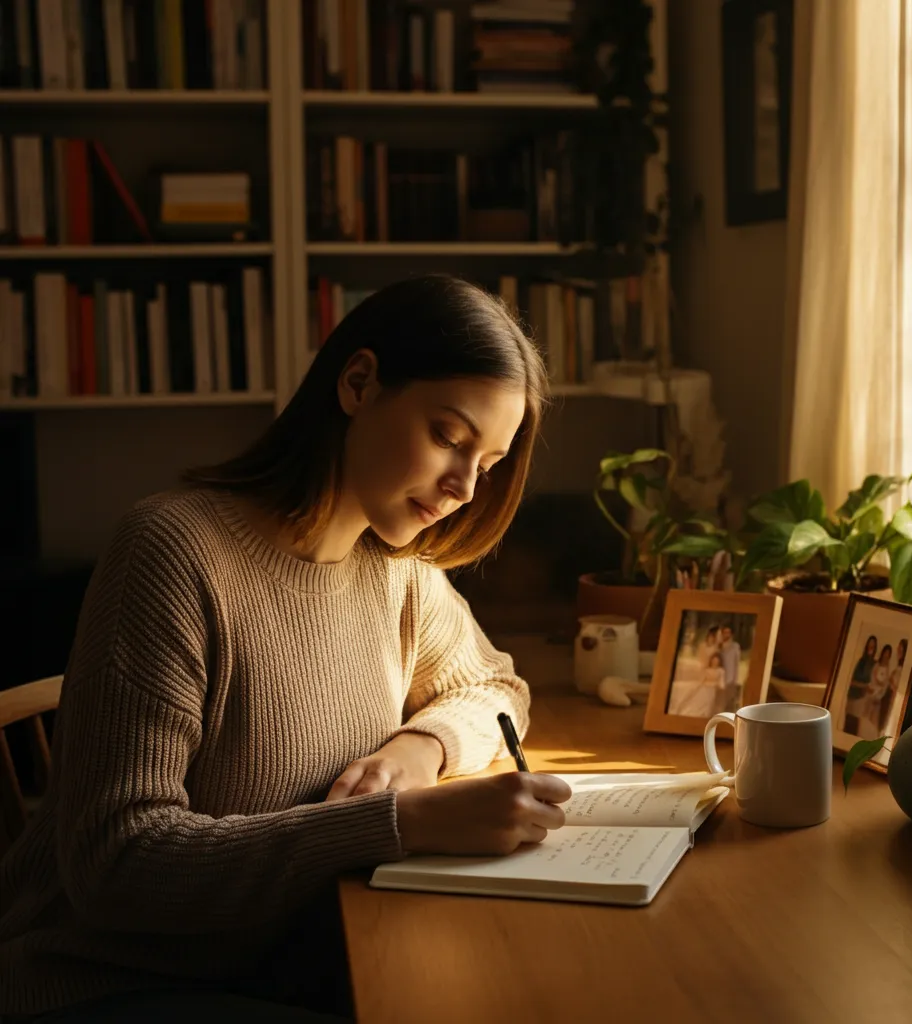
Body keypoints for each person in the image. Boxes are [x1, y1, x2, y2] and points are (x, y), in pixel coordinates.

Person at [0, 276, 573, 1022]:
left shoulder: (393, 570)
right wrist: (404, 823)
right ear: (359, 383)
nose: (464, 486)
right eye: (448, 438)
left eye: (488, 464)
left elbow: (496, 688)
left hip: (288, 957)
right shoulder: (174, 552)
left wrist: (419, 750)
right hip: (107, 982)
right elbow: (115, 864)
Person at [844, 635, 878, 733]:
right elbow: (852, 681)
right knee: (847, 723)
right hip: (851, 695)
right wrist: (863, 685)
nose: (870, 647)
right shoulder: (861, 661)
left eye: (873, 646)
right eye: (869, 645)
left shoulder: (874, 664)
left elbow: (871, 684)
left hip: (861, 699)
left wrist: (865, 686)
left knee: (856, 726)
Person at [861, 644, 894, 736]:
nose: (886, 656)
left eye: (888, 654)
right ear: (882, 653)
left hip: (878, 698)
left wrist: (879, 696)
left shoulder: (888, 669)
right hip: (870, 693)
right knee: (865, 717)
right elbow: (871, 679)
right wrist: (872, 690)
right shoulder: (876, 665)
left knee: (874, 720)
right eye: (885, 653)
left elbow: (885, 686)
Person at [718, 625, 742, 710]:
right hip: (719, 679)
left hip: (730, 679)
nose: (726, 634)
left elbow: (736, 663)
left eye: (728, 632)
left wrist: (735, 680)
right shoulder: (719, 645)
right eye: (724, 632)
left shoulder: (735, 646)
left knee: (729, 703)